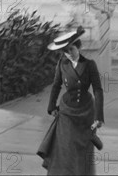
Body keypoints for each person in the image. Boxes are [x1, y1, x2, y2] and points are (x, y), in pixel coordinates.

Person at [40, 29, 104, 174]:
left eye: (71, 49)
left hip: (86, 112)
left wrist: (99, 117)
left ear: (79, 47)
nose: (69, 53)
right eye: (65, 51)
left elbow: (98, 90)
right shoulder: (62, 64)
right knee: (65, 148)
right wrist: (51, 106)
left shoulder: (89, 64)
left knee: (83, 150)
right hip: (67, 111)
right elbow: (56, 85)